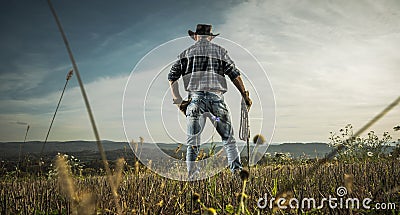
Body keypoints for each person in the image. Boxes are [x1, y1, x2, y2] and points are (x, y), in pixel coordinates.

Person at [168, 24, 252, 179]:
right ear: (211, 37)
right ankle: (236, 174)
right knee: (228, 139)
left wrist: (178, 100)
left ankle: (192, 177)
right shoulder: (220, 52)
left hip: (196, 103)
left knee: (193, 142)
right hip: (216, 104)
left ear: (195, 36)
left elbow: (172, 76)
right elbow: (234, 74)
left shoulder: (185, 54)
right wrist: (245, 95)